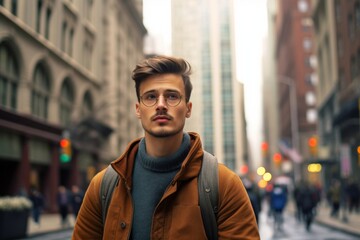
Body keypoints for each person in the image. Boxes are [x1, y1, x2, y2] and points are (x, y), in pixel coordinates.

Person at [72, 55, 260, 239]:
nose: (161, 105)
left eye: (172, 96)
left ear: (188, 108)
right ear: (138, 109)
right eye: (151, 97)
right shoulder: (103, 186)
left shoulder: (224, 185)